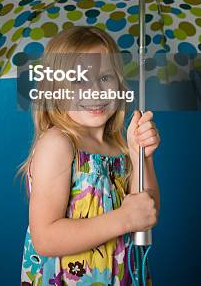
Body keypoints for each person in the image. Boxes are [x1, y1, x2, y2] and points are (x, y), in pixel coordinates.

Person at [17, 25, 161, 285]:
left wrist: (142, 156)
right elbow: (45, 238)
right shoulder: (58, 144)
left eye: (105, 77)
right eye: (79, 79)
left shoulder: (119, 148)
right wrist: (123, 219)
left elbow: (146, 214)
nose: (95, 90)